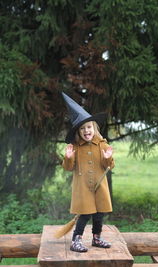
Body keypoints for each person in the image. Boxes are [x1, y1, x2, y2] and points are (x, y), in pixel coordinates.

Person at [61, 92, 114, 253]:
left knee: (99, 214)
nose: (86, 131)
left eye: (89, 127)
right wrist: (68, 158)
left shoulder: (103, 144)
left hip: (99, 186)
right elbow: (68, 167)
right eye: (82, 128)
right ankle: (76, 240)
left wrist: (107, 158)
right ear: (78, 132)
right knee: (84, 214)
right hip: (83, 187)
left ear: (94, 127)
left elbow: (110, 165)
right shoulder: (76, 147)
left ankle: (96, 238)